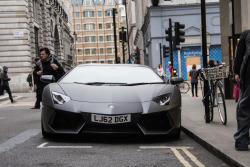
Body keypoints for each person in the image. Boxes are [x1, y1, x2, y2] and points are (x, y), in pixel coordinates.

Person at [233, 30, 250, 151]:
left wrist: (238, 72)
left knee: (244, 106)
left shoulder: (246, 34)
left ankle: (242, 141)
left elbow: (239, 56)